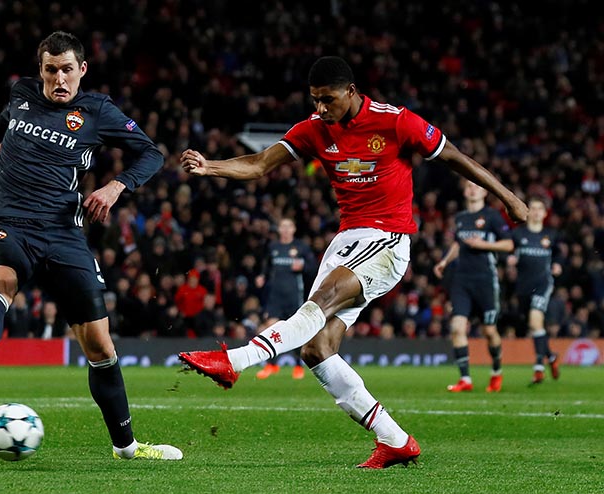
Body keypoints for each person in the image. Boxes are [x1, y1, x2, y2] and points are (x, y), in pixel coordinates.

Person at [178, 56, 527, 469]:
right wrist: (210, 167)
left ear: (351, 91)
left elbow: (452, 156)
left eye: (328, 100)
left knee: (322, 300)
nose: (321, 108)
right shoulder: (313, 129)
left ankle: (234, 361)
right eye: (315, 100)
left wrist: (508, 197)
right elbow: (258, 164)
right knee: (316, 348)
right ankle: (395, 440)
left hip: (387, 239)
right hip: (347, 241)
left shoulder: (395, 122)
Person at [0, 31, 181, 461]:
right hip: (10, 223)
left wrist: (115, 187)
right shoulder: (21, 95)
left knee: (100, 346)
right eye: (51, 70)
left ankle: (126, 448)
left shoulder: (96, 111)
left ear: (82, 70)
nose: (59, 79)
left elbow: (151, 155)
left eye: (67, 70)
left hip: (63, 234)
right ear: (40, 71)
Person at [433, 180, 514, 393]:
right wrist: (445, 261)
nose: (472, 189)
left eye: (476, 186)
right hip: (462, 280)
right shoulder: (460, 218)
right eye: (469, 186)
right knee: (457, 328)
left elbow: (508, 244)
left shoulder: (493, 216)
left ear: (484, 193)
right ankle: (465, 379)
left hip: (486, 280)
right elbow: (459, 244)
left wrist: (484, 245)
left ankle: (496, 371)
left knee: (489, 331)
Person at [508, 196, 562, 384]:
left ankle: (539, 367)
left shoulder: (551, 236)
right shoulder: (517, 234)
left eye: (541, 208)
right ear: (528, 211)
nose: (537, 212)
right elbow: (508, 252)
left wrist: (557, 265)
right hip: (523, 286)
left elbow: (560, 255)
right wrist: (509, 261)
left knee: (535, 320)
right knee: (533, 326)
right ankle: (551, 357)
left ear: (545, 213)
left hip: (543, 283)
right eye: (534, 208)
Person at [255, 218, 316, 380]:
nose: (286, 229)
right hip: (275, 296)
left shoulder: (301, 247)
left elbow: (313, 267)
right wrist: (262, 276)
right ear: (279, 229)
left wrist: (303, 266)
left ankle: (298, 366)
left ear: (294, 229)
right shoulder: (273, 247)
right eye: (283, 226)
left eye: (289, 226)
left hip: (293, 296)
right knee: (270, 328)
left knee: (295, 330)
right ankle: (271, 365)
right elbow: (266, 265)